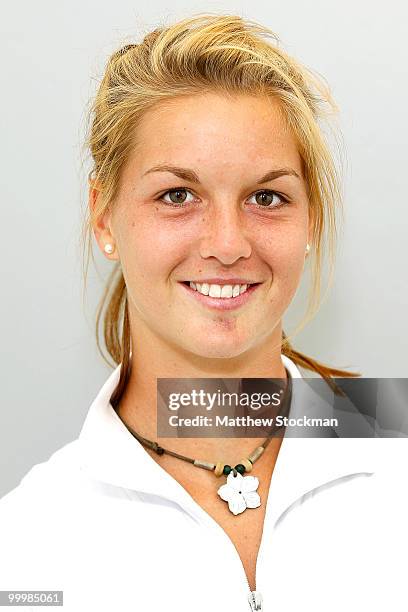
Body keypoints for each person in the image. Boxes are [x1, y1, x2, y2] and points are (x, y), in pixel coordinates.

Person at [0, 14, 406, 612]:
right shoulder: (26, 544)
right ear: (105, 216)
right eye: (177, 196)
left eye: (266, 197)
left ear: (311, 219)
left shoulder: (395, 454)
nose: (227, 243)